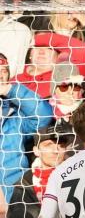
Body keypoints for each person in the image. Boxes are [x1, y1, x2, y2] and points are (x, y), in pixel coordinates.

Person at [1, 55, 54, 202]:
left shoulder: (15, 115)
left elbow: (42, 117)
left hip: (11, 198)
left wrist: (11, 90)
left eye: (4, 71)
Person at [7, 123, 74, 218]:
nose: (56, 150)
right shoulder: (24, 186)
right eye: (49, 145)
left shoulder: (79, 176)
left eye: (61, 145)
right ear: (36, 151)